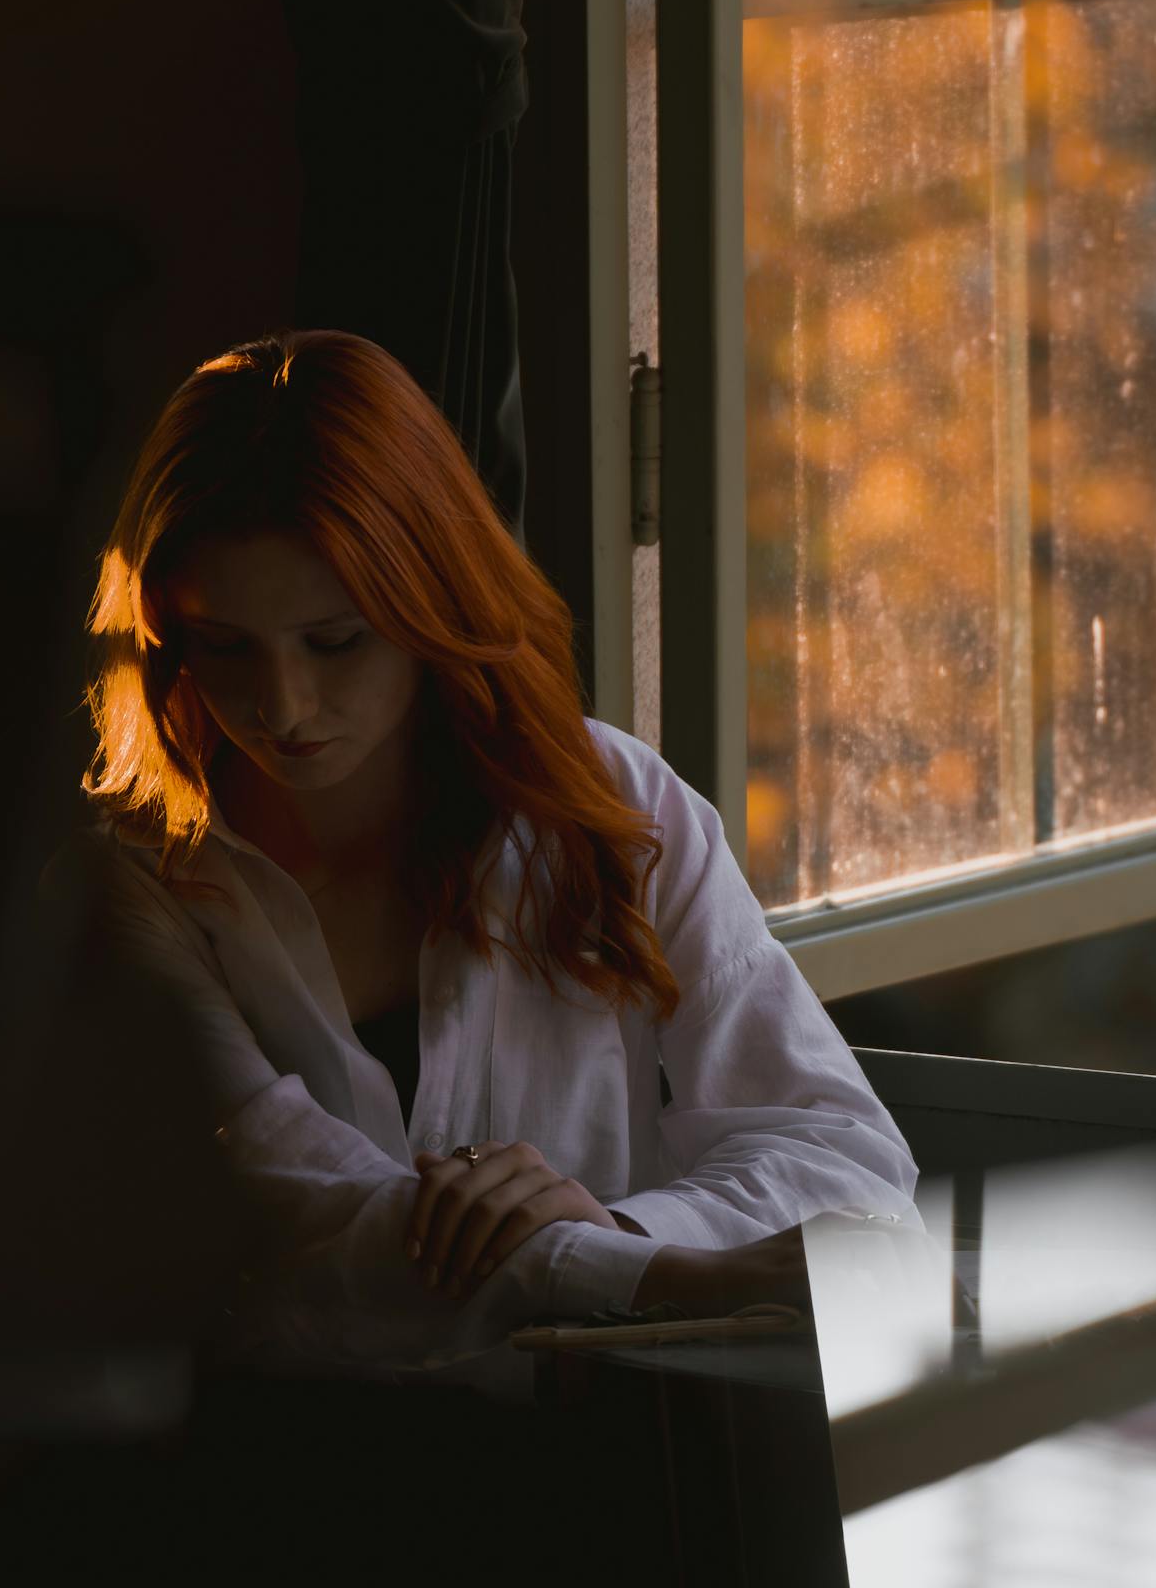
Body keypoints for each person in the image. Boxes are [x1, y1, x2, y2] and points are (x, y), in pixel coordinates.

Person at [56, 327, 921, 1404]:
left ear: (433, 606)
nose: (280, 708)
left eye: (336, 641)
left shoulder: (615, 807)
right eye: (223, 645)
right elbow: (295, 1215)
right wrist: (656, 1270)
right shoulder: (132, 887)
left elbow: (846, 1158)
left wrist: (608, 1226)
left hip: (622, 1465)